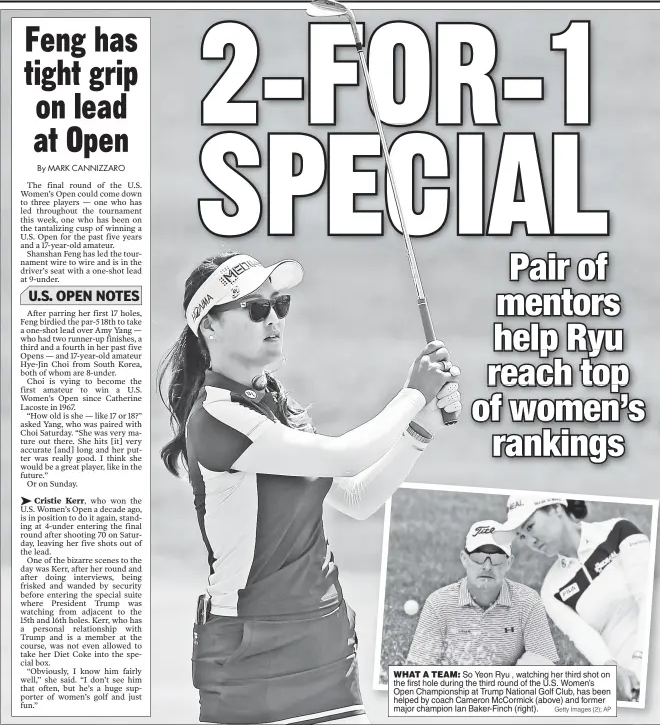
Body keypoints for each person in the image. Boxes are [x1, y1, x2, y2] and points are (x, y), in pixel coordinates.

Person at [158, 251, 462, 725]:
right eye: (256, 310)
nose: (273, 318)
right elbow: (346, 454)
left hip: (324, 642)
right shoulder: (217, 418)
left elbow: (358, 498)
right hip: (249, 654)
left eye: (279, 305)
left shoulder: (279, 406)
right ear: (210, 326)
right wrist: (414, 393)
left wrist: (419, 431)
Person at [493, 495, 651, 702]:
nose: (530, 541)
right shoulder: (552, 589)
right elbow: (586, 639)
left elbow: (648, 598)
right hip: (631, 682)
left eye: (530, 527)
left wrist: (640, 662)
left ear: (556, 508)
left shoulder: (619, 531)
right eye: (521, 536)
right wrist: (614, 673)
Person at [406, 519, 558, 666]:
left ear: (509, 563)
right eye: (478, 556)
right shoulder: (438, 603)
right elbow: (418, 670)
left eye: (496, 557)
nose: (487, 566)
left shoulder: (528, 601)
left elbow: (545, 665)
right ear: (464, 559)